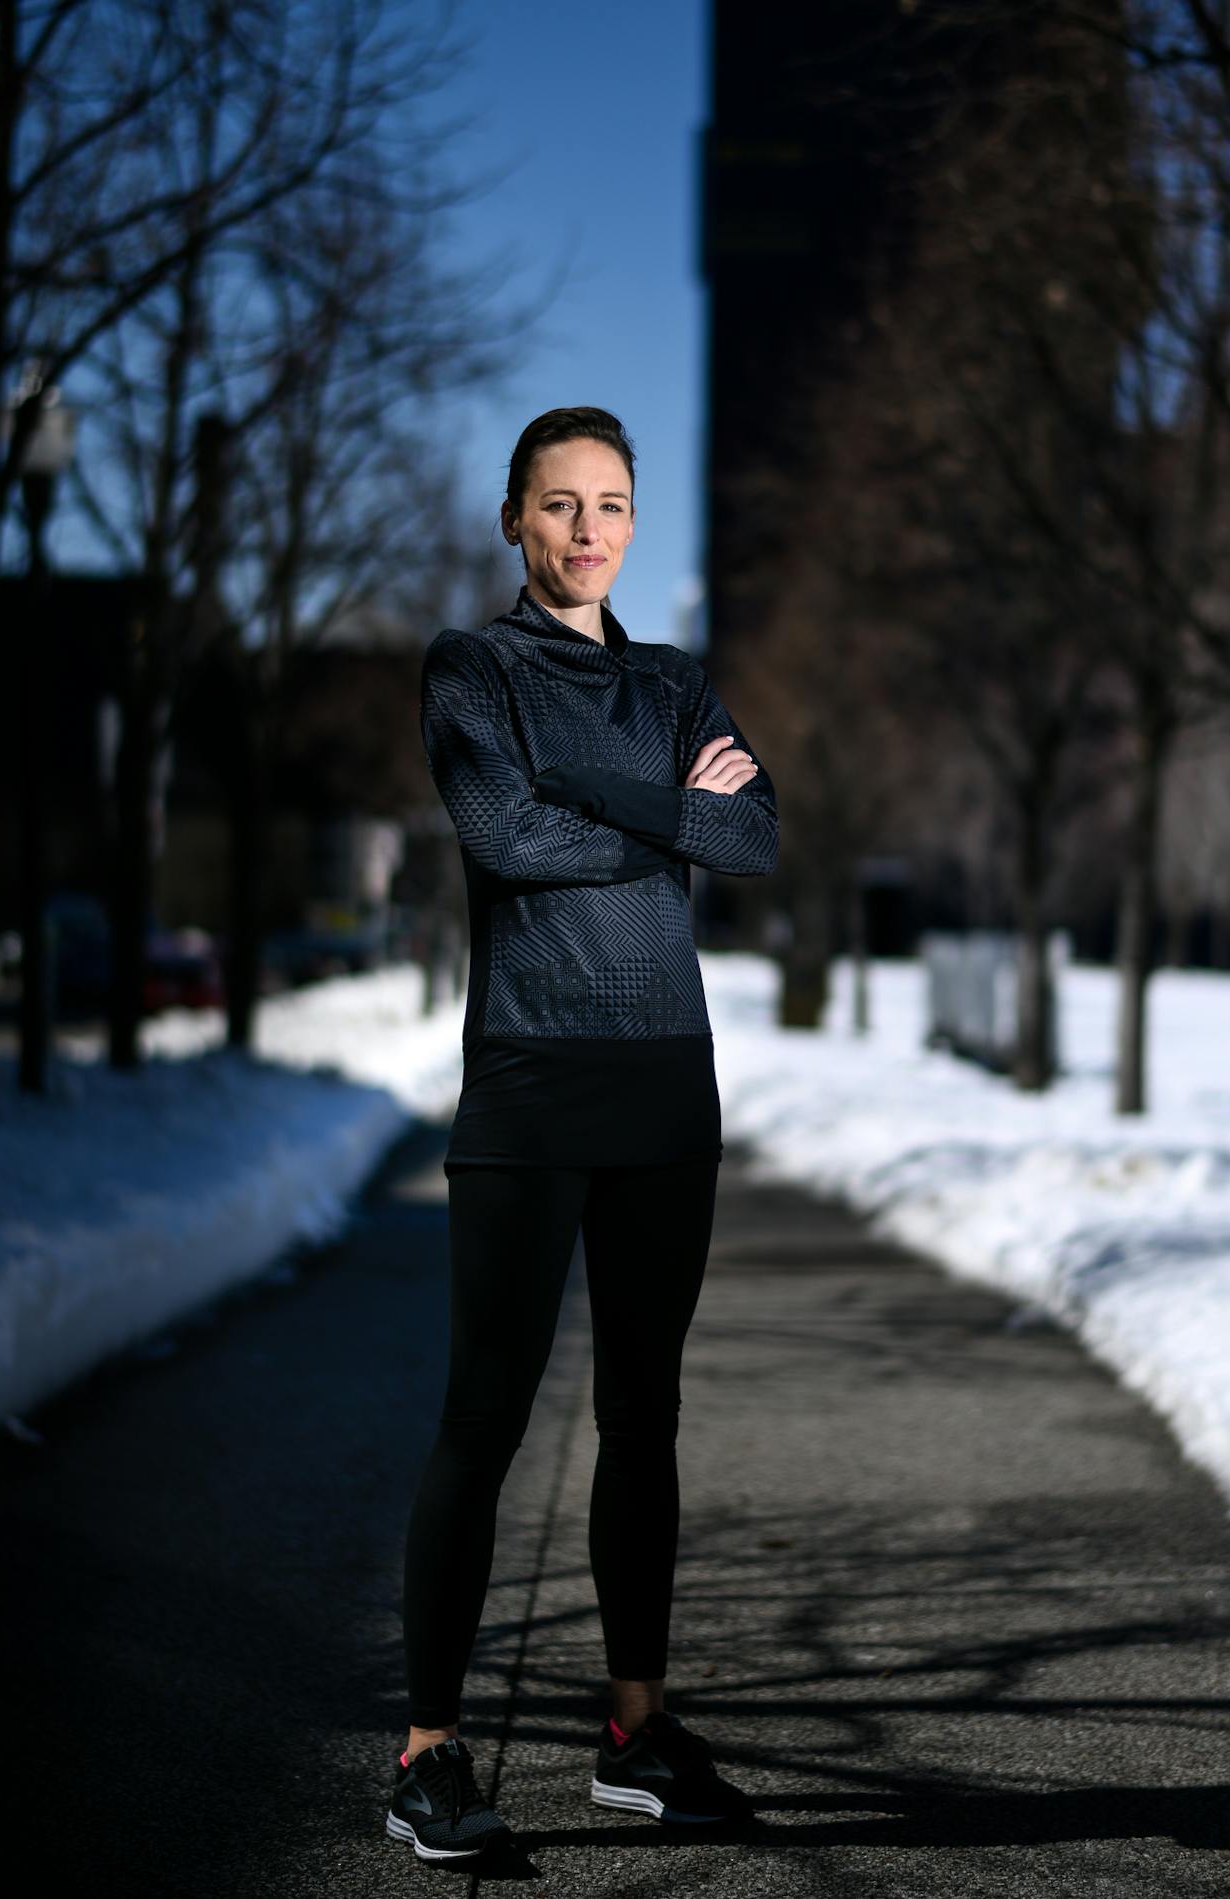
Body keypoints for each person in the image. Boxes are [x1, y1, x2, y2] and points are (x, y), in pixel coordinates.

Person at [387, 406, 778, 1862]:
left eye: (611, 503)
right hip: (533, 1089)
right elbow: (507, 840)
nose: (589, 529)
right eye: (560, 505)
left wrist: (626, 794)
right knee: (481, 1423)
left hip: (669, 1087)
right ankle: (429, 1752)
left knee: (646, 1420)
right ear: (515, 520)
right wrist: (671, 807)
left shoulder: (675, 681)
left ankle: (635, 1732)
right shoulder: (472, 669)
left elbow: (751, 838)